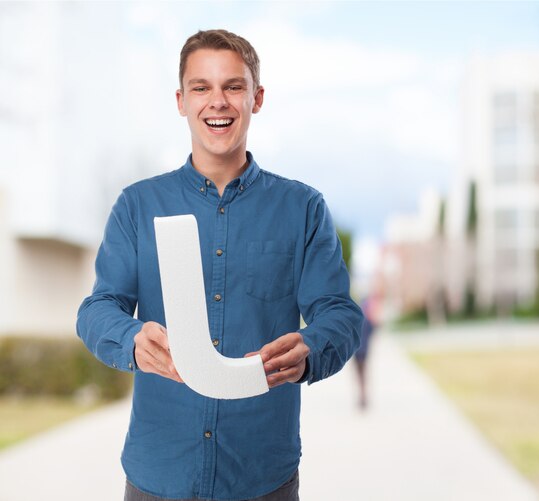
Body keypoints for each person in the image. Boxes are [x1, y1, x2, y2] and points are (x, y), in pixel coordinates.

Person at [76, 29, 362, 501]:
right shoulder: (138, 206)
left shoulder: (303, 207)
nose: (218, 102)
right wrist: (129, 339)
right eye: (201, 87)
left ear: (257, 97)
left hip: (261, 476)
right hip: (158, 473)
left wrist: (311, 347)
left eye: (233, 86)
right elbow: (97, 307)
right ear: (181, 100)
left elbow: (340, 312)